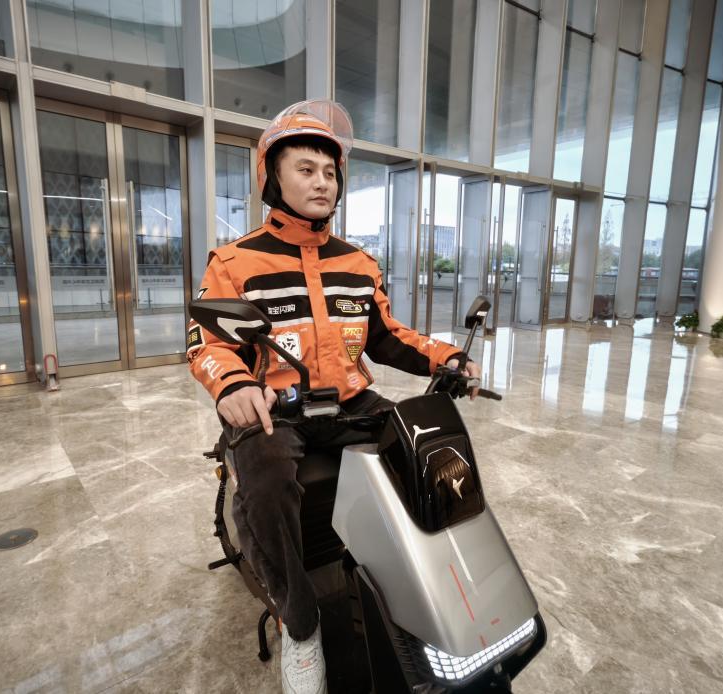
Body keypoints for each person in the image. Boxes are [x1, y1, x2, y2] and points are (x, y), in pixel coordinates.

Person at [187, 99, 480, 694]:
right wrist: (233, 384)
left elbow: (386, 337)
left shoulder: (358, 263)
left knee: (432, 449)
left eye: (330, 171)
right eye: (305, 169)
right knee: (264, 480)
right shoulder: (234, 261)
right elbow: (207, 342)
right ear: (273, 178)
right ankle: (300, 625)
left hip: (351, 402)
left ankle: (429, 588)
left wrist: (446, 357)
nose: (322, 181)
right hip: (276, 407)